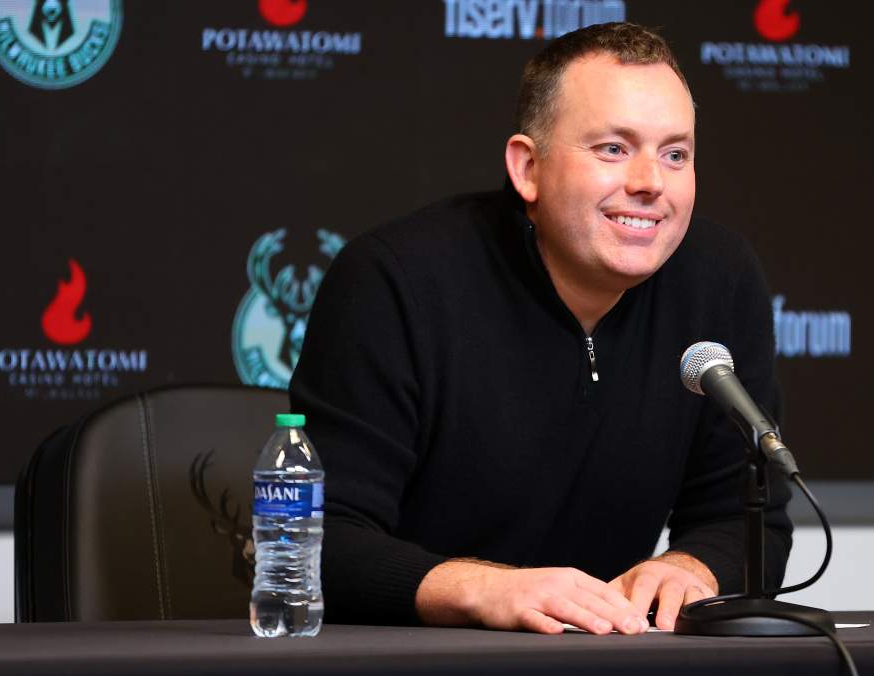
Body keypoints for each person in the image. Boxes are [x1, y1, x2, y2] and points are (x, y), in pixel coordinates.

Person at [289, 22, 791, 636]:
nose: (650, 182)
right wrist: (484, 590)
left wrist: (692, 569)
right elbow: (315, 538)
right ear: (528, 168)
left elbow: (749, 520)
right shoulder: (393, 281)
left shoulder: (719, 279)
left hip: (605, 653)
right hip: (415, 655)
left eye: (675, 154)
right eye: (613, 149)